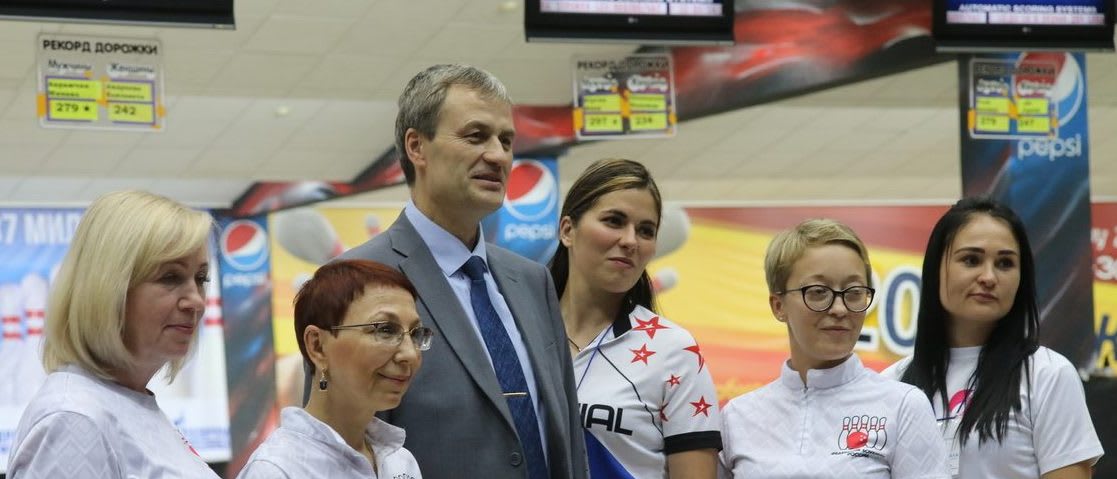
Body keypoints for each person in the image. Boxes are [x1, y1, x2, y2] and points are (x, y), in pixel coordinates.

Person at [334, 64, 587, 479]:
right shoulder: (356, 281)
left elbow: (568, 442)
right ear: (417, 147)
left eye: (506, 140)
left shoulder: (532, 281)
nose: (498, 155)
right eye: (476, 136)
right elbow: (341, 457)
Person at [881, 197, 1103, 479]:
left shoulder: (1048, 375)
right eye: (971, 260)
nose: (989, 277)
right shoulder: (893, 382)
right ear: (936, 269)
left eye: (1005, 263)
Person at [6, 190, 219, 478]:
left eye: (201, 279)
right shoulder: (74, 418)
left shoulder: (120, 402)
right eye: (170, 277)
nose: (196, 301)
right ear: (108, 289)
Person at [719, 219, 949, 478]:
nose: (839, 309)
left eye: (854, 292)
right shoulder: (736, 418)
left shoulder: (903, 406)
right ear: (778, 306)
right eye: (818, 292)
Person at [549, 158, 721, 478]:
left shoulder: (674, 350)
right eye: (614, 221)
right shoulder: (516, 329)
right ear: (568, 230)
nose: (630, 241)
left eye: (645, 230)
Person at [240, 259, 428, 478]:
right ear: (317, 346)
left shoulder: (400, 462)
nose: (410, 354)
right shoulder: (276, 470)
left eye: (416, 333)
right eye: (385, 330)